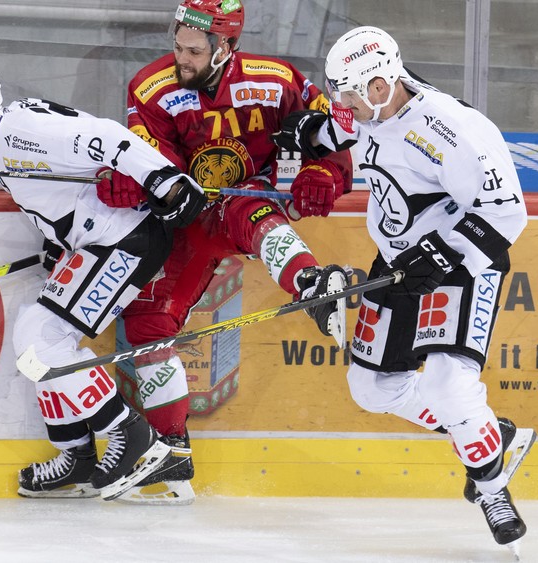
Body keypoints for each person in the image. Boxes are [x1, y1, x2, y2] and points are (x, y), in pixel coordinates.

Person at [272, 26, 536, 552]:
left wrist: (441, 254)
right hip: (397, 258)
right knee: (371, 388)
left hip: (462, 263)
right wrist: (310, 136)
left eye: (349, 95)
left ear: (378, 86)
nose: (342, 105)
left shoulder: (455, 130)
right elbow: (343, 128)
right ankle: (488, 434)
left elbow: (507, 212)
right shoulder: (372, 100)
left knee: (447, 384)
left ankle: (490, 486)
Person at [94, 0, 354, 505]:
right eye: (177, 46)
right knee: (147, 327)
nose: (180, 58)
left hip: (243, 202)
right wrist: (134, 182)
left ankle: (314, 286)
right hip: (182, 218)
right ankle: (172, 450)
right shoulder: (152, 87)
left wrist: (324, 173)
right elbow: (148, 157)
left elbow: (335, 135)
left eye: (193, 50)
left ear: (225, 47)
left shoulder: (276, 80)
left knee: (251, 211)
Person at [0, 60, 208, 501]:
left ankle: (132, 438)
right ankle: (77, 455)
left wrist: (165, 180)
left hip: (123, 239)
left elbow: (109, 136)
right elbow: (65, 188)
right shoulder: (0, 141)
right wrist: (60, 238)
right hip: (97, 241)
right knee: (31, 331)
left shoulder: (17, 130)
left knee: (42, 340)